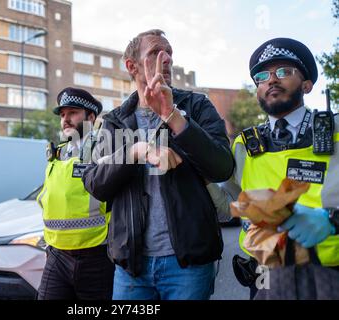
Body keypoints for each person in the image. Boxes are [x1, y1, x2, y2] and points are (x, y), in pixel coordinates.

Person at [82, 29, 234, 300]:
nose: (167, 59)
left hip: (188, 266)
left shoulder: (196, 106)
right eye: (155, 52)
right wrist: (136, 151)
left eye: (169, 53)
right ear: (132, 66)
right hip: (132, 270)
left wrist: (172, 116)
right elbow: (95, 184)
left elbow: (222, 167)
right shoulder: (115, 120)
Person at [213, 38, 339, 299]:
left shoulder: (335, 131)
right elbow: (231, 203)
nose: (271, 79)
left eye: (283, 71)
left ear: (307, 84)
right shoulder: (244, 145)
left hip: (329, 271)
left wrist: (330, 220)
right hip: (265, 275)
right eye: (262, 76)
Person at [36, 87, 114, 300]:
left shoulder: (104, 147)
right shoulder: (58, 152)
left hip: (96, 255)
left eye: (73, 113)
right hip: (57, 255)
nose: (66, 120)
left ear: (90, 117)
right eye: (62, 115)